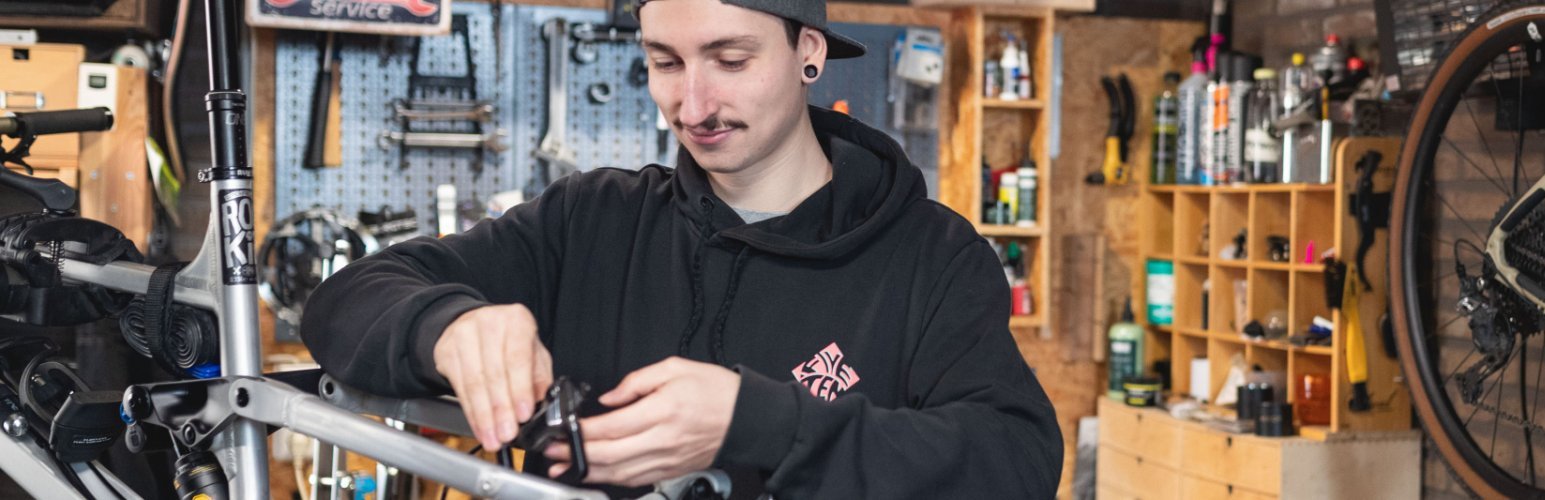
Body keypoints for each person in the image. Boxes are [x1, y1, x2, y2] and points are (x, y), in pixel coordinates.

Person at [299, 0, 1063, 497]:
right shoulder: (589, 221)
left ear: (809, 50)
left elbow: (1016, 461)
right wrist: (449, 326)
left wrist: (760, 424)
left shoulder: (930, 257)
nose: (691, 105)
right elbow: (343, 303)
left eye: (730, 61)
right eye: (665, 62)